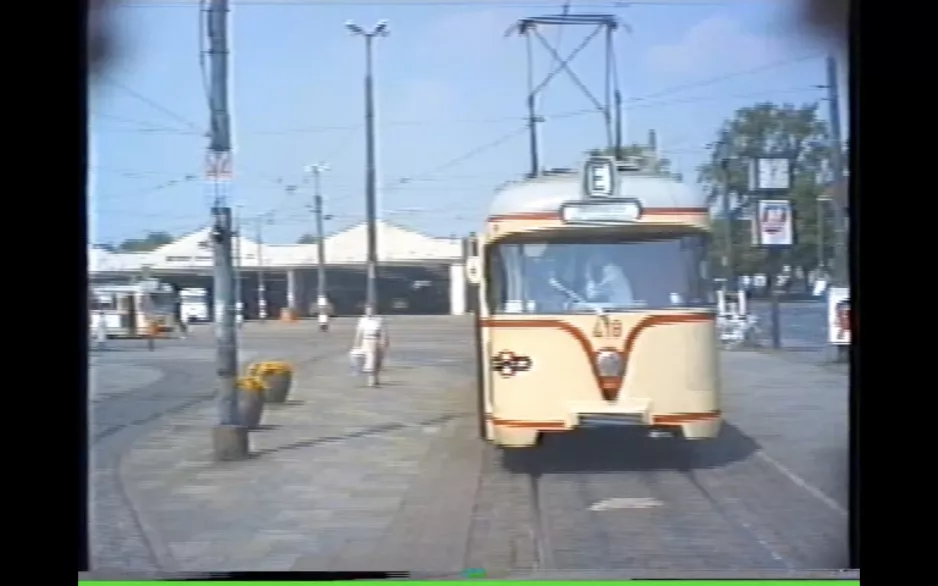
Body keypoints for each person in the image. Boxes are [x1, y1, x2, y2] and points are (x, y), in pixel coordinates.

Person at [352, 304, 389, 387]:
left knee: (378, 361)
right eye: (367, 310)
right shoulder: (362, 320)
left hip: (377, 340)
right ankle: (371, 380)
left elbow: (383, 331)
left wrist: (384, 341)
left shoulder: (379, 319)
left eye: (371, 310)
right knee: (370, 359)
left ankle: (376, 378)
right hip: (366, 341)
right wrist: (356, 344)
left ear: (374, 310)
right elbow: (359, 332)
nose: (369, 312)